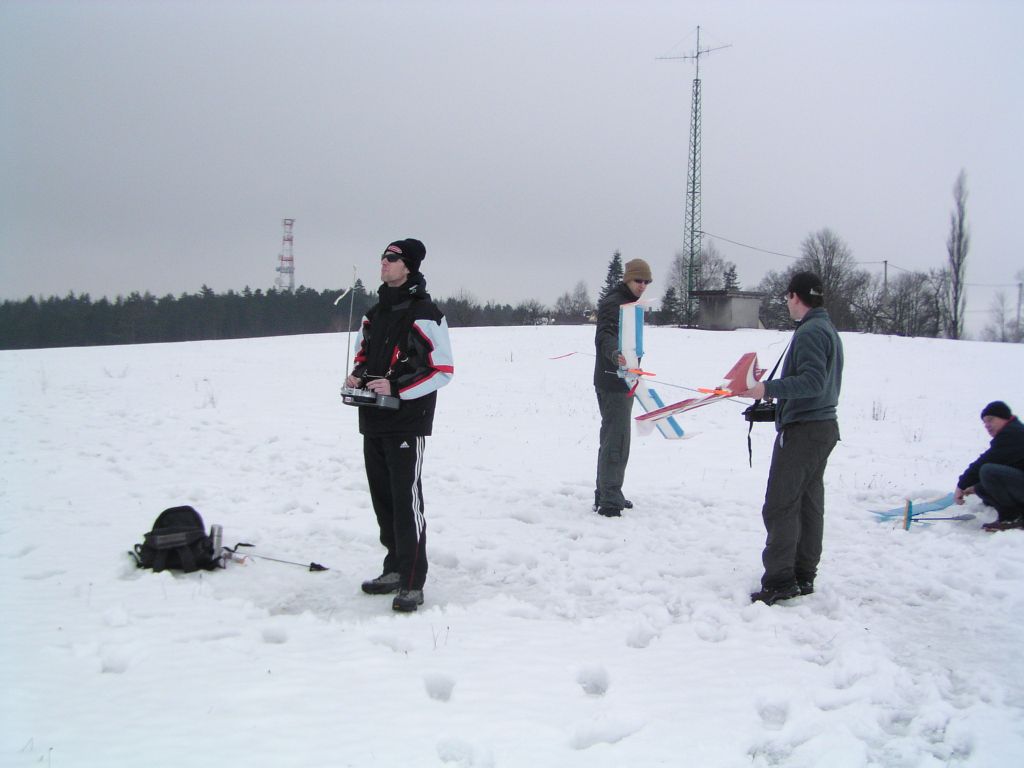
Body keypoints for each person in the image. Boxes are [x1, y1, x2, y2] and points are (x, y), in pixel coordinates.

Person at [345, 238, 454, 612]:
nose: (383, 263)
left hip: (407, 422)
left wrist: (397, 387)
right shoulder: (374, 313)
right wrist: (357, 378)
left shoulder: (426, 313)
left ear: (408, 266)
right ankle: (393, 568)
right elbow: (364, 357)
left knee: (407, 502)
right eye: (382, 257)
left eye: (391, 258)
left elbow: (441, 370)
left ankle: (411, 581)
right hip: (372, 418)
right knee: (384, 500)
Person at [737, 272, 843, 605]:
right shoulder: (825, 328)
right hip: (820, 428)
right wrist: (777, 406)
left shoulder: (811, 332)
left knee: (781, 505)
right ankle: (802, 574)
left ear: (795, 296)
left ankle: (781, 580)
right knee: (808, 504)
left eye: (787, 298)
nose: (787, 304)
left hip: (804, 433)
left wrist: (766, 389)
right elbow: (817, 387)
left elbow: (812, 382)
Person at [593, 258, 652, 517]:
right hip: (613, 381)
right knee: (616, 440)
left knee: (614, 438)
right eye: (638, 280)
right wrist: (615, 353)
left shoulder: (629, 303)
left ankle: (607, 492)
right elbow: (604, 335)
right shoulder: (614, 303)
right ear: (628, 279)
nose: (643, 285)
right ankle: (609, 500)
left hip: (624, 379)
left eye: (646, 282)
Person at [954, 401, 1024, 531]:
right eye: (984, 422)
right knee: (981, 487)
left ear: (1004, 417)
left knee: (988, 471)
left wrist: (962, 485)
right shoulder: (1012, 433)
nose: (987, 425)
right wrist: (975, 486)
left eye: (990, 420)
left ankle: (1011, 518)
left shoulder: (1013, 434)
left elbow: (986, 461)